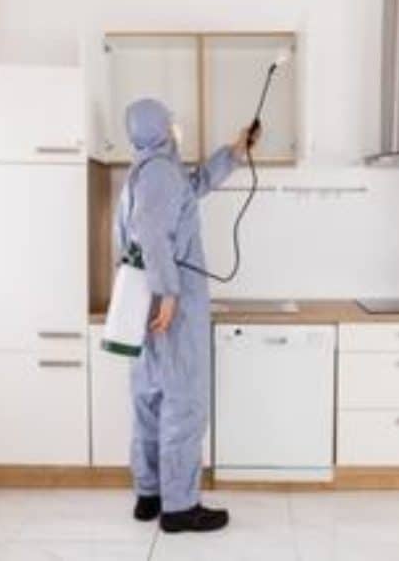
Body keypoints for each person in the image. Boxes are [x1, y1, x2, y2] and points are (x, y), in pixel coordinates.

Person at [115, 98, 257, 533]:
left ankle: (150, 494)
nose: (178, 130)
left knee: (152, 400)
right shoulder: (158, 173)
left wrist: (234, 152)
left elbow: (193, 186)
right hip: (170, 305)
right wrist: (170, 294)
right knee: (183, 404)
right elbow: (155, 235)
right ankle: (179, 507)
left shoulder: (148, 171)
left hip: (146, 304)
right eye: (172, 124)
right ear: (160, 128)